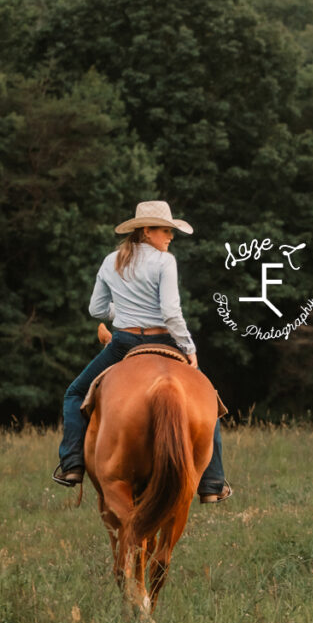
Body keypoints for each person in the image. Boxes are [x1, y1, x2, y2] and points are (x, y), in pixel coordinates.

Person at [53, 200, 231, 504]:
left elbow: (95, 309)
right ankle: (212, 482)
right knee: (208, 398)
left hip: (122, 343)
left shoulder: (111, 261)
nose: (170, 237)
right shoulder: (165, 262)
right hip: (165, 342)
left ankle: (72, 464)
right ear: (146, 230)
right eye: (165, 230)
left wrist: (121, 312)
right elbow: (171, 312)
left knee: (74, 394)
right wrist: (189, 348)